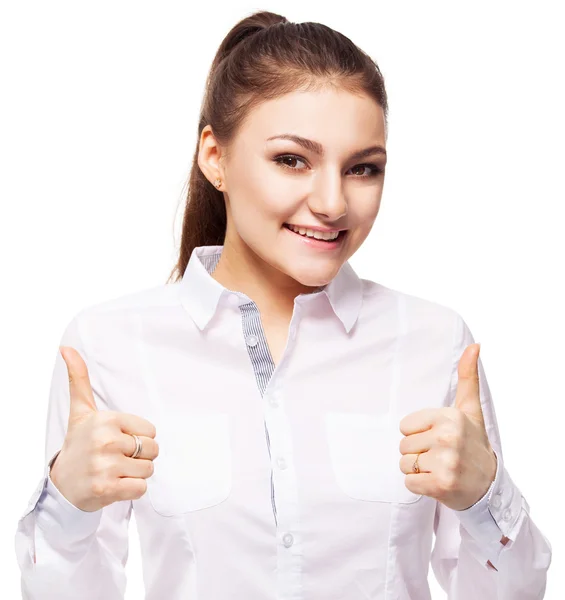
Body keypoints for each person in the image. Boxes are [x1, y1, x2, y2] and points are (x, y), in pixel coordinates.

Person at [14, 10, 552, 600]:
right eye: (292, 159)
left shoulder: (433, 342)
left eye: (362, 168)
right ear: (215, 157)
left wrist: (484, 496)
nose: (332, 202)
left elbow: (512, 593)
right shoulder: (111, 347)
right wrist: (67, 503)